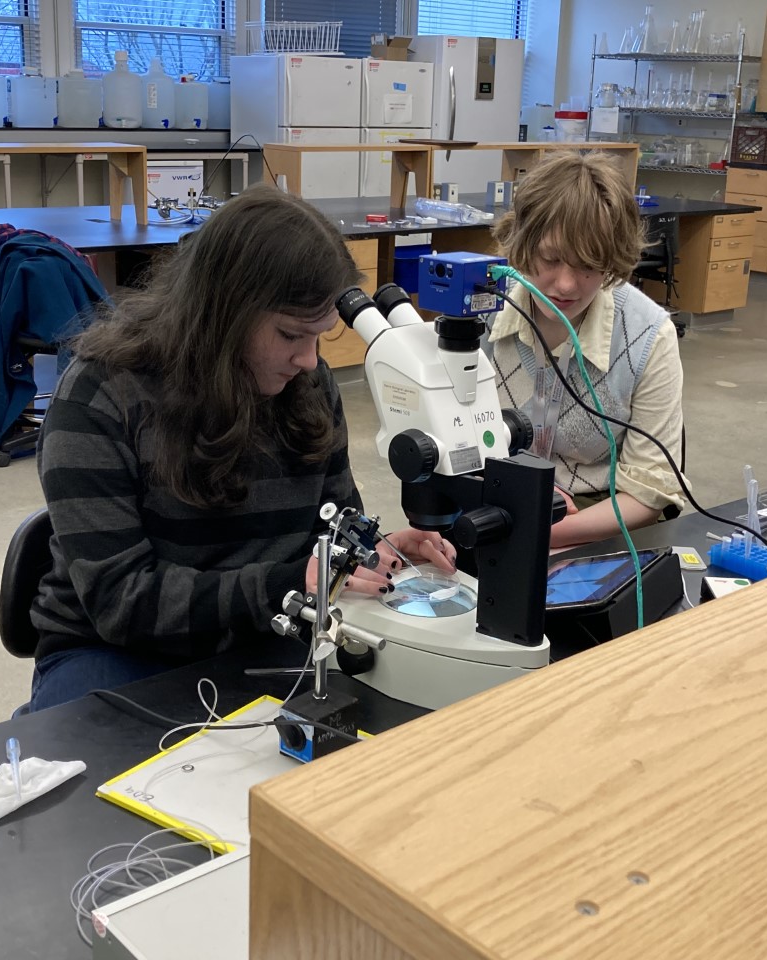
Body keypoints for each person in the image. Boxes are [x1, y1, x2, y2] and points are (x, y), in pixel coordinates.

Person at [27, 186, 456, 712]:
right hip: (116, 651)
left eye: (320, 335)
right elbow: (122, 603)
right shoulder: (101, 395)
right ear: (222, 313)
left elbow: (333, 529)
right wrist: (290, 581)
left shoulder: (307, 385)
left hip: (272, 628)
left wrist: (372, 552)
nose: (309, 359)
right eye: (291, 334)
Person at [486, 151, 687, 550]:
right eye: (551, 258)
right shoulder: (485, 313)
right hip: (495, 510)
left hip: (598, 527)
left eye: (588, 266)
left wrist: (541, 530)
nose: (566, 285)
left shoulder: (648, 335)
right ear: (523, 243)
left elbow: (650, 491)